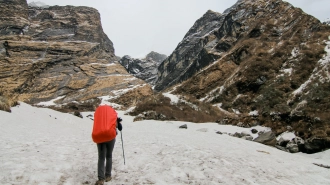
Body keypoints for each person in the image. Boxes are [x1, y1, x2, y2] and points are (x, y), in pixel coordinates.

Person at [92, 105, 123, 185]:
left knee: (101, 158)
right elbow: (119, 127)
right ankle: (108, 176)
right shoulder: (112, 115)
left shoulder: (98, 115)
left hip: (100, 137)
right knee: (109, 156)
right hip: (110, 137)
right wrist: (118, 122)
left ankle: (101, 179)